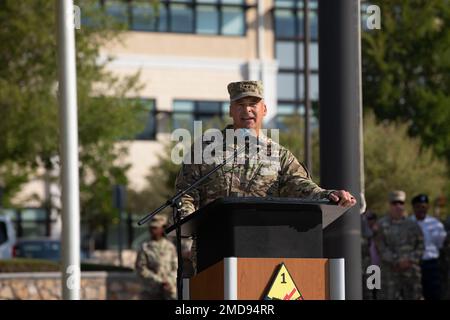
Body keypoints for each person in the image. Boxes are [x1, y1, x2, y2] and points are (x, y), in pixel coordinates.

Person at [175, 80, 357, 271]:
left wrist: (327, 195)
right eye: (240, 105)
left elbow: (298, 184)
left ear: (264, 109)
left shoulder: (278, 154)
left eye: (253, 105)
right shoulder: (205, 150)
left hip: (264, 248)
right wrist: (189, 223)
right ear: (230, 111)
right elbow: (185, 192)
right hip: (213, 249)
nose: (247, 111)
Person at [375, 190, 424, 299]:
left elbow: (420, 246)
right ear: (390, 205)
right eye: (394, 203)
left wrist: (409, 260)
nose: (398, 206)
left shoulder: (413, 225)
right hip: (390, 273)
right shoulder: (381, 225)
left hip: (411, 273)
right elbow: (380, 247)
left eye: (401, 203)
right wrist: (397, 261)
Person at [410, 194, 447, 300]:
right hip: (413, 265)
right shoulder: (407, 223)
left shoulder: (436, 224)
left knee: (433, 294)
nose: (422, 210)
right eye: (419, 207)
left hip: (431, 265)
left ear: (427, 207)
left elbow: (440, 244)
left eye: (424, 207)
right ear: (413, 207)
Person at [135, 215, 177, 300]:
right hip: (151, 292)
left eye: (155, 227)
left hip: (169, 291)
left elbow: (176, 267)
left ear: (162, 229)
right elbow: (141, 268)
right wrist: (159, 281)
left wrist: (169, 281)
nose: (152, 230)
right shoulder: (145, 247)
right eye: (151, 227)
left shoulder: (170, 247)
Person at [361, 210, 380, 299]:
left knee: (376, 293)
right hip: (368, 269)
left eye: (372, 219)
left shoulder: (380, 233)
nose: (370, 221)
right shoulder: (364, 234)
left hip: (377, 268)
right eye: (368, 219)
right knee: (368, 294)